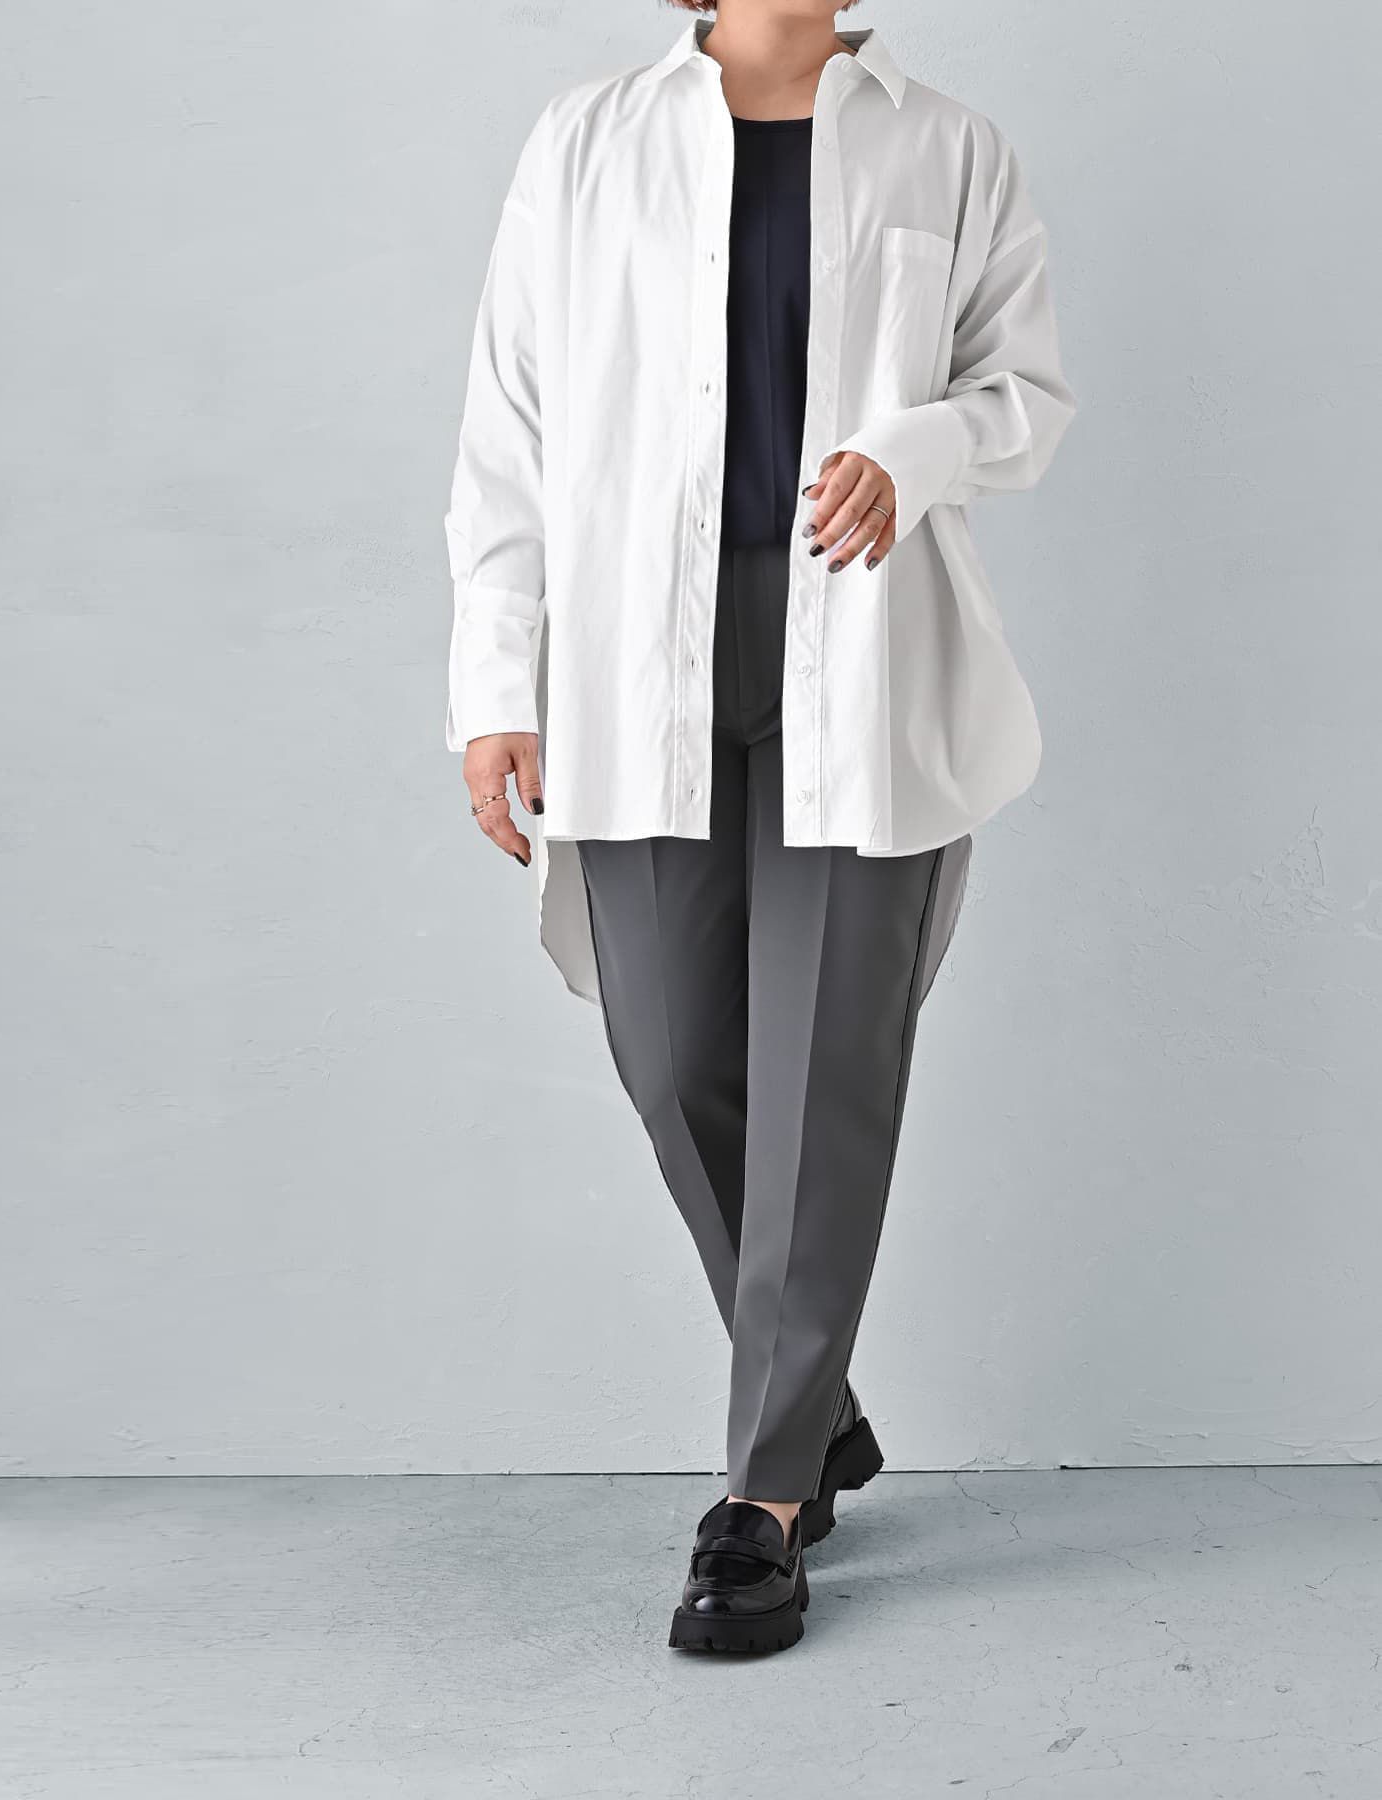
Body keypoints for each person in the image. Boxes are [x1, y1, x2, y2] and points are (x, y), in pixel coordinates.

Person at [442, 0, 1075, 1655]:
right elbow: (510, 425)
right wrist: (494, 678)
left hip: (862, 651)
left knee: (823, 1075)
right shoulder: (586, 141)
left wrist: (920, 445)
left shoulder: (949, 146)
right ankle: (817, 1401)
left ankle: (765, 1500)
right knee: (672, 1057)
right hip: (632, 658)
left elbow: (1027, 393)